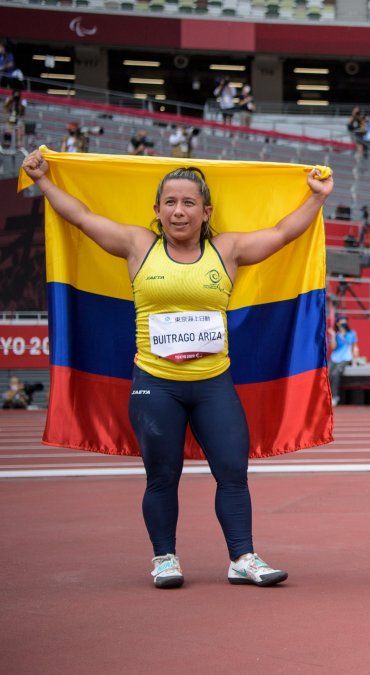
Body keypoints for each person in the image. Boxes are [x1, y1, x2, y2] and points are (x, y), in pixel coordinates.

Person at [21, 149, 333, 588]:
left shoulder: (227, 249)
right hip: (155, 386)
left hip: (213, 386)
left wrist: (317, 198)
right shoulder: (137, 246)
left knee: (232, 472)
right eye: (170, 202)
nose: (179, 211)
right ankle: (165, 558)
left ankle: (242, 558)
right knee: (162, 476)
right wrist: (44, 181)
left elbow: (283, 232)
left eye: (189, 203)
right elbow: (82, 217)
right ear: (157, 210)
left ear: (206, 212)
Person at [328, 316, 359, 407]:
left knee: (335, 373)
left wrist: (354, 361)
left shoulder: (352, 333)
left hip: (346, 358)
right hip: (335, 358)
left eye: (345, 322)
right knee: (328, 375)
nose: (344, 324)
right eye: (341, 322)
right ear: (337, 324)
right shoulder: (336, 334)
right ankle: (328, 397)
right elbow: (333, 347)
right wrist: (333, 336)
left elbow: (354, 347)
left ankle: (335, 397)